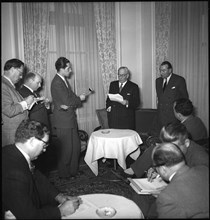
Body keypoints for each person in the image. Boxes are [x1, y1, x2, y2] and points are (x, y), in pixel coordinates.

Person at [2, 119, 81, 219]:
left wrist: (59, 196)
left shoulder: (11, 150)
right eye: (44, 145)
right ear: (31, 141)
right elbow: (28, 216)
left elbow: (37, 178)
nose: (44, 150)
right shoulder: (14, 174)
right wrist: (60, 211)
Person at [134, 143, 209, 218]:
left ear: (163, 170)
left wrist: (168, 192)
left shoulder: (167, 197)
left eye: (156, 168)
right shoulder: (204, 169)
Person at [124, 122, 209, 178]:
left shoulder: (201, 159)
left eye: (173, 147)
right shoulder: (177, 149)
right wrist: (156, 170)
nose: (169, 151)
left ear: (186, 143)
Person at [51, 57, 86, 179]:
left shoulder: (63, 80)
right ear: (61, 69)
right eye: (68, 68)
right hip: (63, 121)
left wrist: (75, 100)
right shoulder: (57, 82)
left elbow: (70, 97)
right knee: (66, 150)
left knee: (75, 147)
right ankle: (64, 174)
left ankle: (73, 171)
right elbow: (67, 100)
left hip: (69, 118)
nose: (70, 70)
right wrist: (79, 99)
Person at [2, 58, 35, 146]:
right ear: (12, 69)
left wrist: (28, 102)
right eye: (20, 74)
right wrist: (26, 102)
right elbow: (9, 110)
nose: (21, 77)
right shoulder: (3, 85)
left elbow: (15, 105)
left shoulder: (9, 85)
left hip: (17, 132)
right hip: (11, 134)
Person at [155, 61, 189, 134]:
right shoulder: (158, 81)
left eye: (164, 70)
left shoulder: (179, 80)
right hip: (161, 115)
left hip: (173, 115)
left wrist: (180, 114)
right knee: (162, 137)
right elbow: (159, 97)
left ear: (170, 70)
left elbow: (184, 98)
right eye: (160, 70)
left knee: (172, 137)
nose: (161, 73)